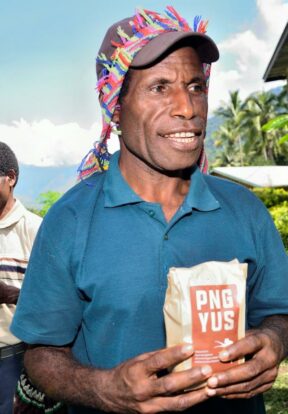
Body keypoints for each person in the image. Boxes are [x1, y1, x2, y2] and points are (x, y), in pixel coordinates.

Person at [11, 6, 288, 414]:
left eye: (196, 86)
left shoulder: (245, 211)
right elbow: (40, 355)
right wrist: (103, 388)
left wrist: (275, 342)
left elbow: (279, 313)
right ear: (116, 109)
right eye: (159, 87)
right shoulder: (70, 220)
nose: (187, 107)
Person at [0, 142, 42, 413]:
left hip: (13, 360)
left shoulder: (36, 230)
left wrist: (11, 295)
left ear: (11, 178)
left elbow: (57, 301)